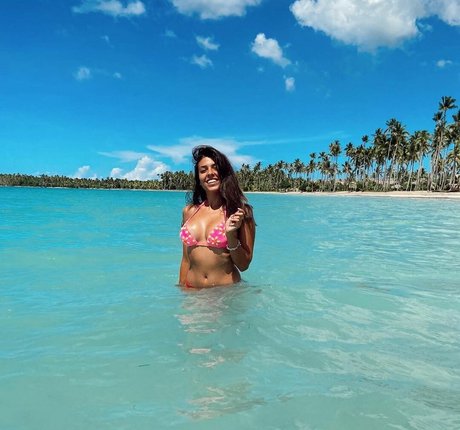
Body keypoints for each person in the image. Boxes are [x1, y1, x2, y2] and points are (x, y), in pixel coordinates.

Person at [179, 145, 256, 288]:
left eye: (215, 168)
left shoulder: (240, 212)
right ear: (199, 178)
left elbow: (244, 265)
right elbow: (185, 259)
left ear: (224, 172)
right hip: (192, 291)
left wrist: (231, 235)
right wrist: (181, 290)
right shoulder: (189, 212)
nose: (210, 173)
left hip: (225, 294)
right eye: (203, 170)